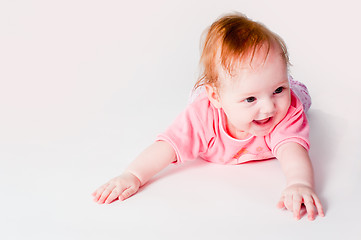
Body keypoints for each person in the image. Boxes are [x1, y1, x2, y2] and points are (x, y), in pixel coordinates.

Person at [92, 12, 325, 221]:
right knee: (215, 96)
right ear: (215, 97)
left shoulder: (286, 111)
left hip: (284, 94)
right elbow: (167, 146)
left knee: (299, 98)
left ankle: (286, 86)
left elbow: (293, 150)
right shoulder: (203, 118)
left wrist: (299, 183)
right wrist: (132, 175)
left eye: (277, 90)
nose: (269, 108)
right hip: (210, 102)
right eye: (251, 99)